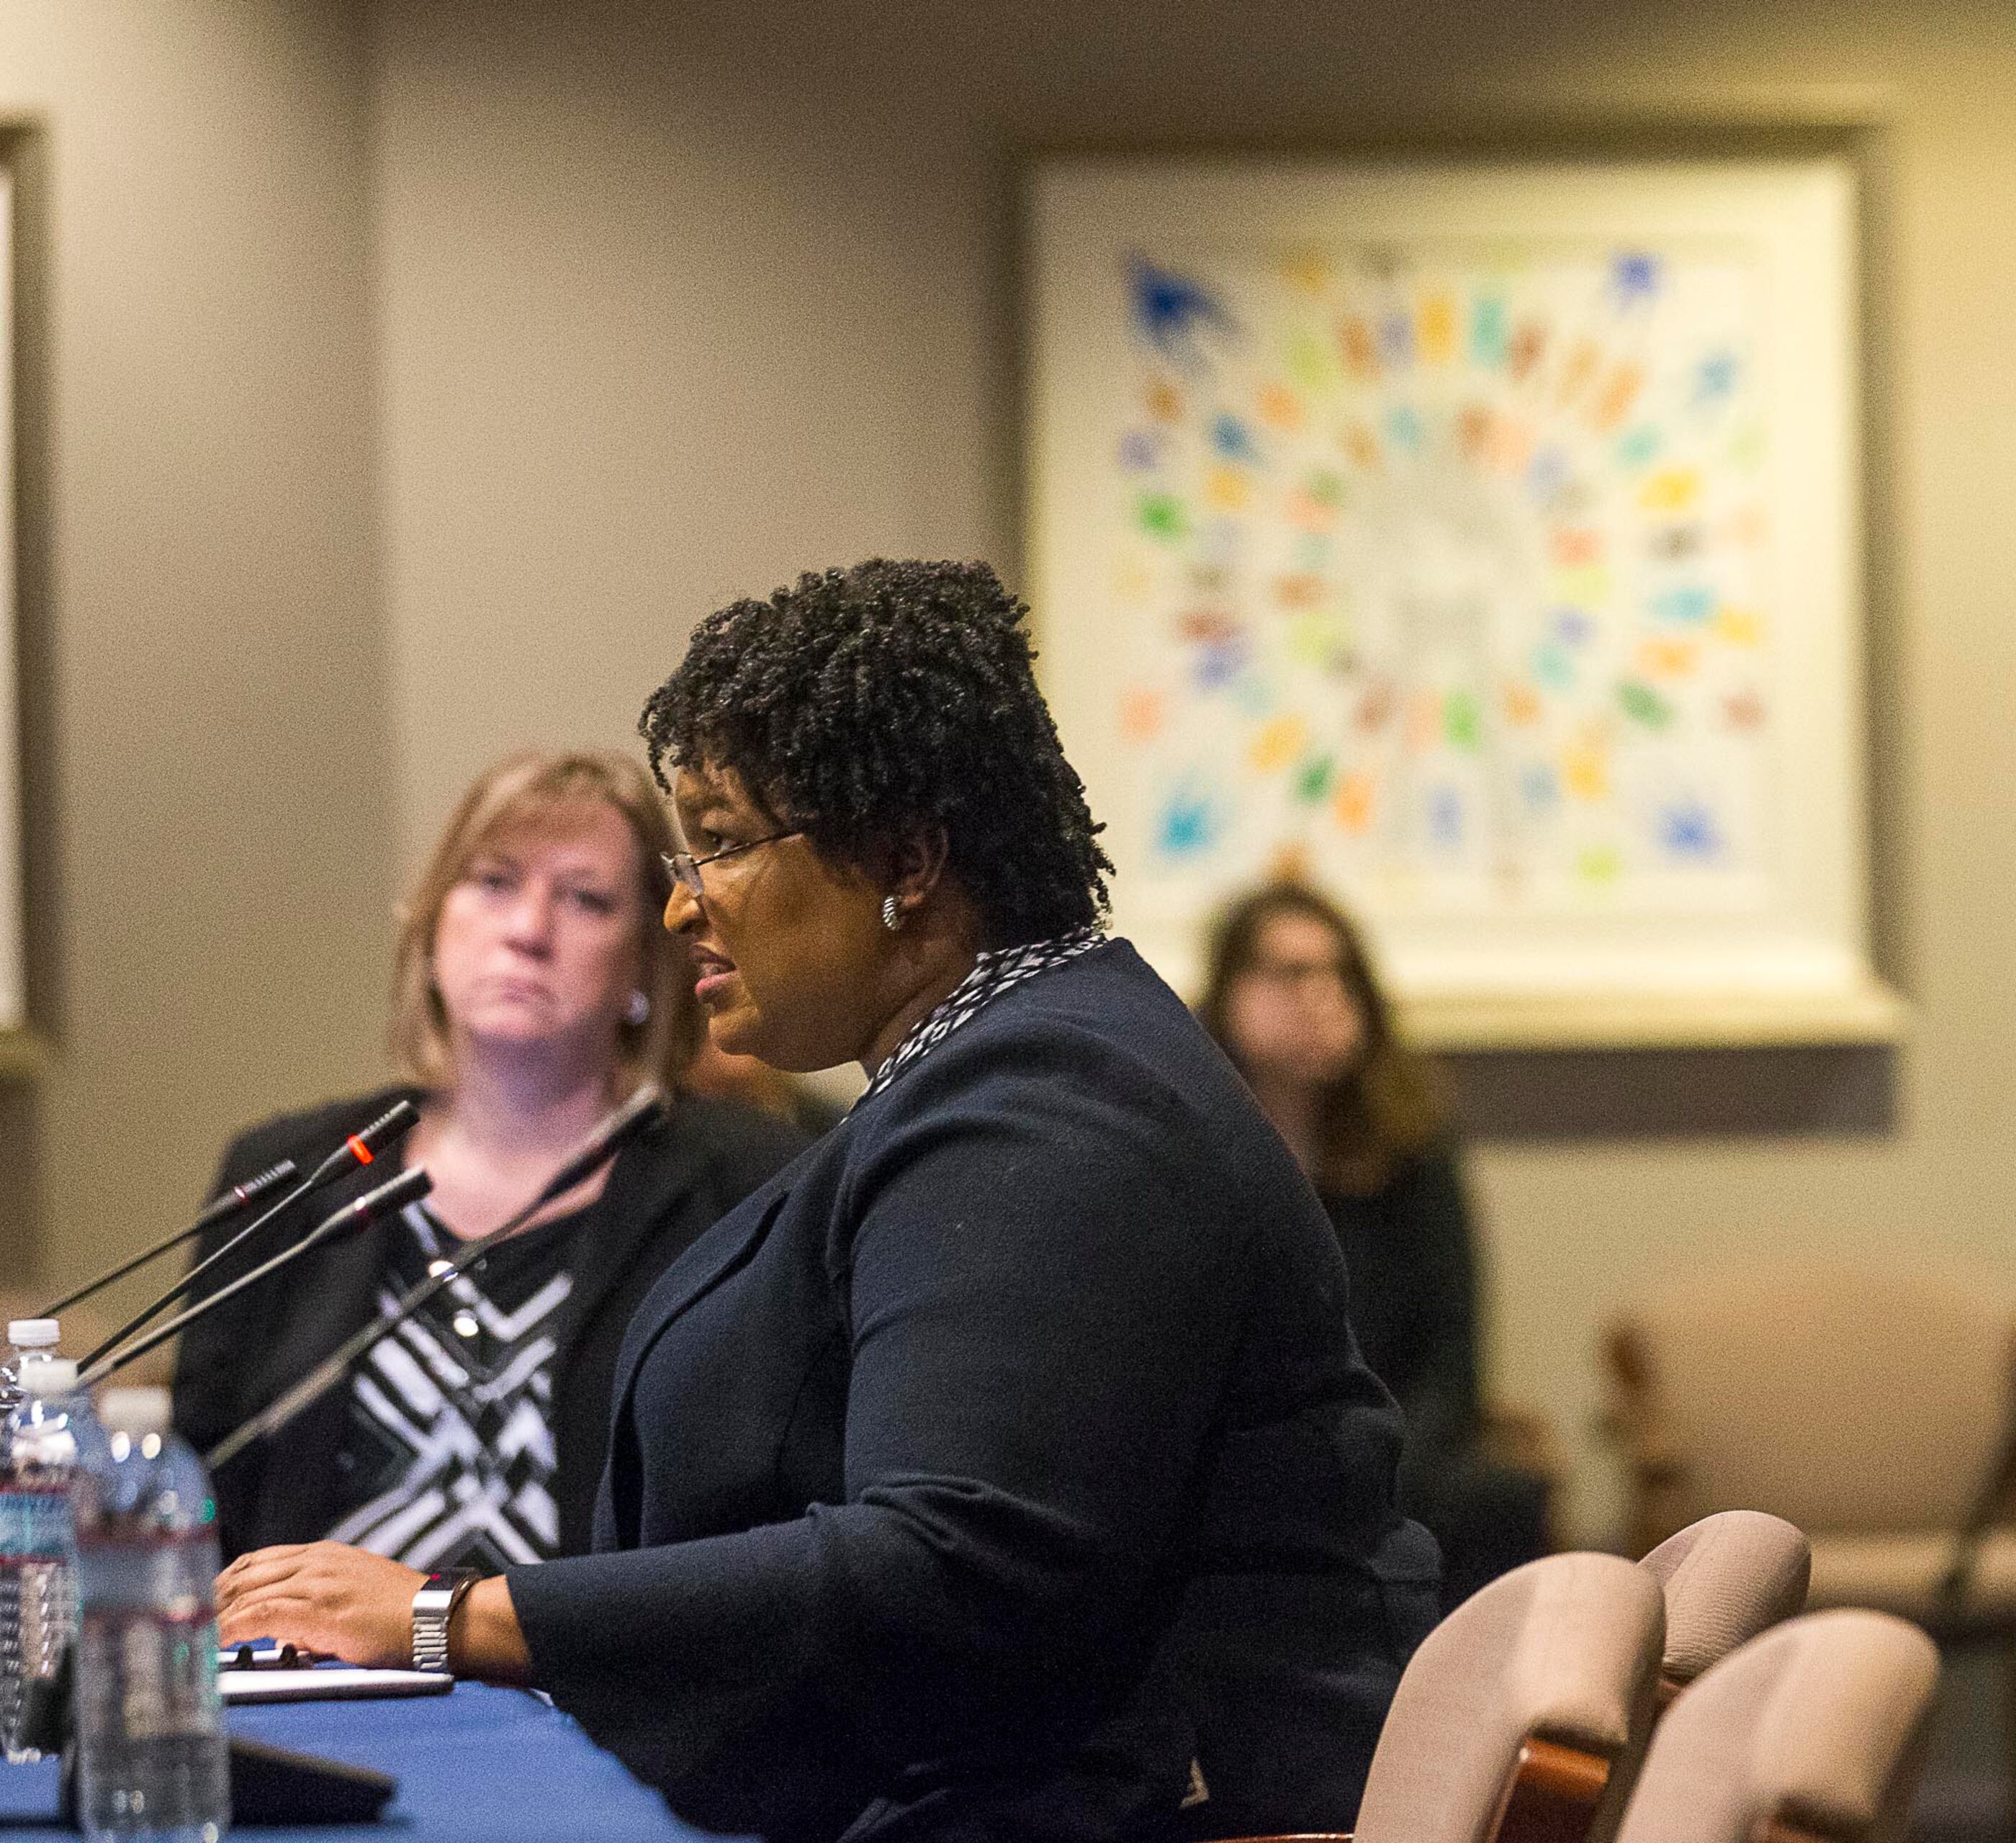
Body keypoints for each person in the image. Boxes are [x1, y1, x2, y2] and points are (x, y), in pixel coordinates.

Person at [216, 560, 1439, 1843]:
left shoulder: (1051, 1100)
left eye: (726, 842)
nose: (684, 904)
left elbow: (955, 1564)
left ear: (907, 858)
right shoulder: (997, 1066)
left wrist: (446, 1620)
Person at [174, 749, 809, 1568]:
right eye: (494, 881)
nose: (528, 930)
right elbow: (189, 1504)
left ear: (646, 963)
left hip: (598, 1686)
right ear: (433, 921)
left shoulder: (755, 1187)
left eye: (584, 898)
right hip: (315, 1685)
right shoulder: (290, 1179)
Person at [1198, 880, 1552, 1608]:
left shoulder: (1410, 1145)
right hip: (1240, 1458)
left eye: (1341, 975)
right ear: (1231, 991)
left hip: (1393, 1455)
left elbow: (1454, 1365)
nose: (1322, 996)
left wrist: (1375, 1474)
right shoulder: (1191, 1144)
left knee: (1498, 1494)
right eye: (1292, 973)